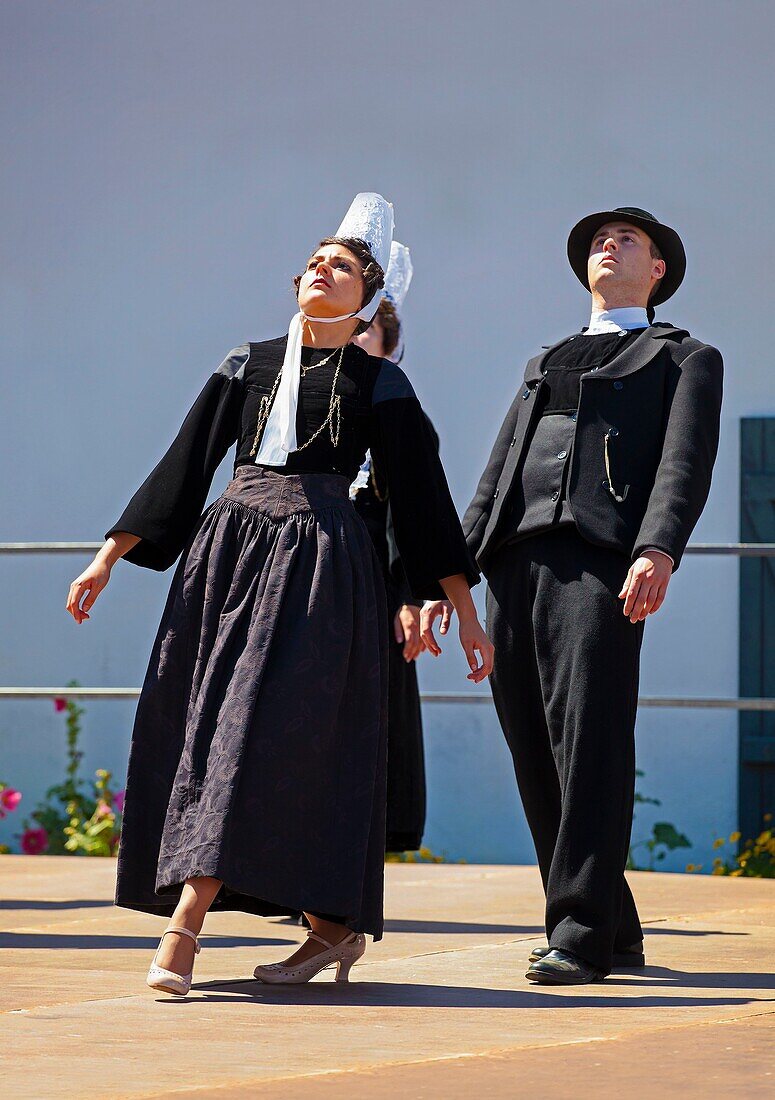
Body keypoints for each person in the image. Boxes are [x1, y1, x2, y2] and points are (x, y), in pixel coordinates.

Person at [66, 193, 492, 995]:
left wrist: (465, 615)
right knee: (208, 727)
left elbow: (425, 507)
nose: (323, 270)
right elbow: (184, 464)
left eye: (344, 266)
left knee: (270, 734)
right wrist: (107, 556)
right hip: (226, 557)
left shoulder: (381, 387)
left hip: (322, 569)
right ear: (296, 279)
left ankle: (185, 929)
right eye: (316, 260)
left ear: (366, 295)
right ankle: (330, 929)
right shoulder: (247, 362)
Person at [422, 207, 723, 984]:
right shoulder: (544, 358)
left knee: (589, 743)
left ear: (657, 270)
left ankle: (580, 933)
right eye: (597, 239)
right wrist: (443, 579)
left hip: (600, 563)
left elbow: (682, 463)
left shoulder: (682, 356)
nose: (606, 244)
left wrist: (658, 548)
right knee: (535, 749)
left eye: (626, 239)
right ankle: (613, 928)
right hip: (512, 565)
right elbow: (493, 480)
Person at [351, 242, 429, 853]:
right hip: (311, 582)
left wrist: (410, 593)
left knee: (369, 719)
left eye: (369, 327)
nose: (358, 336)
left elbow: (412, 509)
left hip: (374, 588)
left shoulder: (394, 406)